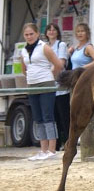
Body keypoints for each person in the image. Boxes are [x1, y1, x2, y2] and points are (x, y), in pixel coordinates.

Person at [21, 23, 64, 160]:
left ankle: (52, 149)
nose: (29, 37)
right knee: (38, 118)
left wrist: (49, 75)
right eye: (26, 35)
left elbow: (58, 64)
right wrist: (30, 77)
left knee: (48, 116)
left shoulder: (44, 47)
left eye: (31, 34)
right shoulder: (23, 50)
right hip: (32, 85)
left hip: (46, 83)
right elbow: (24, 69)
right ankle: (43, 150)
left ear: (37, 34)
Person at [45, 23, 70, 150]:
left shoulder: (61, 45)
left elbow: (61, 63)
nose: (51, 31)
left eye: (54, 29)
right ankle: (57, 144)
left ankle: (68, 142)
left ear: (57, 32)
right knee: (53, 116)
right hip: (48, 86)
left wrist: (49, 75)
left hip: (60, 86)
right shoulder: (44, 46)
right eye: (49, 29)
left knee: (64, 115)